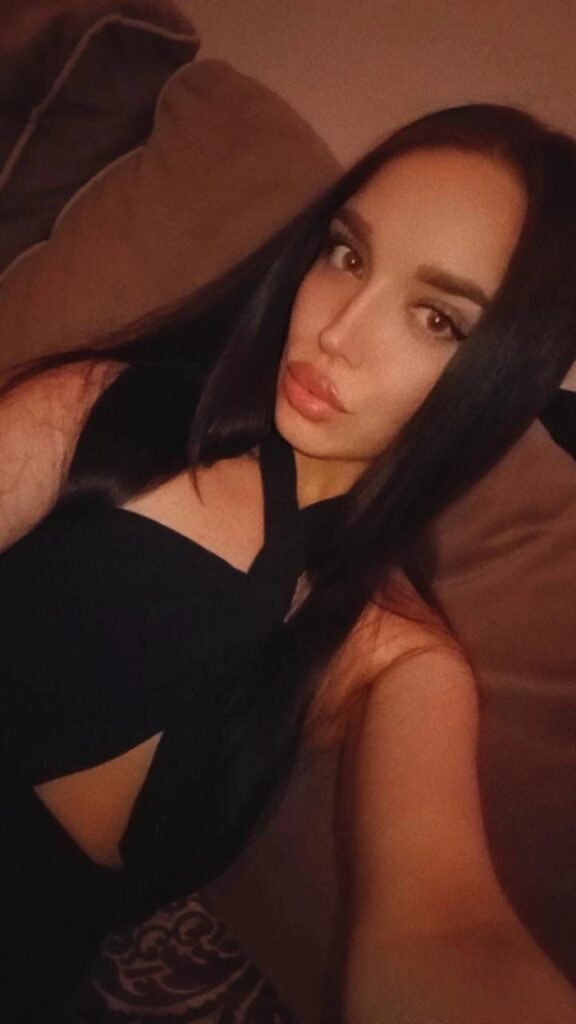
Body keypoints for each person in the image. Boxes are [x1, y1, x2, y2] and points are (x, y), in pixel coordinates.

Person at [1, 103, 576, 1023]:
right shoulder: (106, 412)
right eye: (348, 254)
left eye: (435, 317)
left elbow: (446, 929)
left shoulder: (398, 657)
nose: (338, 332)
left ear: (501, 377)